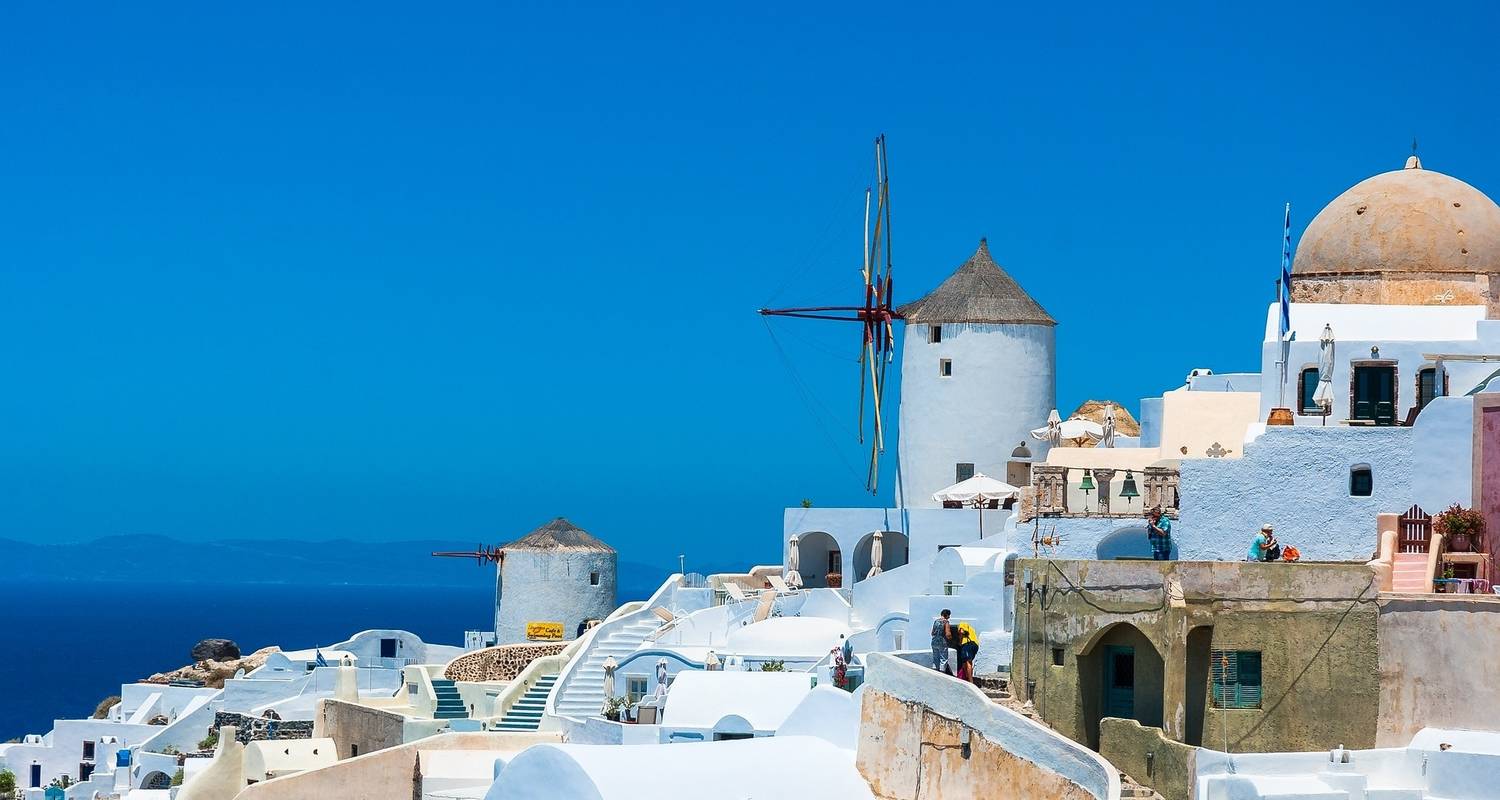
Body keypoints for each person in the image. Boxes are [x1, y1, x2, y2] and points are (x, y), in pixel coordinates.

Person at [930, 609, 953, 674]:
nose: (949, 617)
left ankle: (935, 672)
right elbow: (948, 634)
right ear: (947, 615)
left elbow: (932, 633)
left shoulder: (936, 621)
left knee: (935, 659)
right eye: (949, 615)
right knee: (943, 659)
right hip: (942, 642)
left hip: (934, 642)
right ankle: (942, 674)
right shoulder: (946, 622)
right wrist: (951, 639)